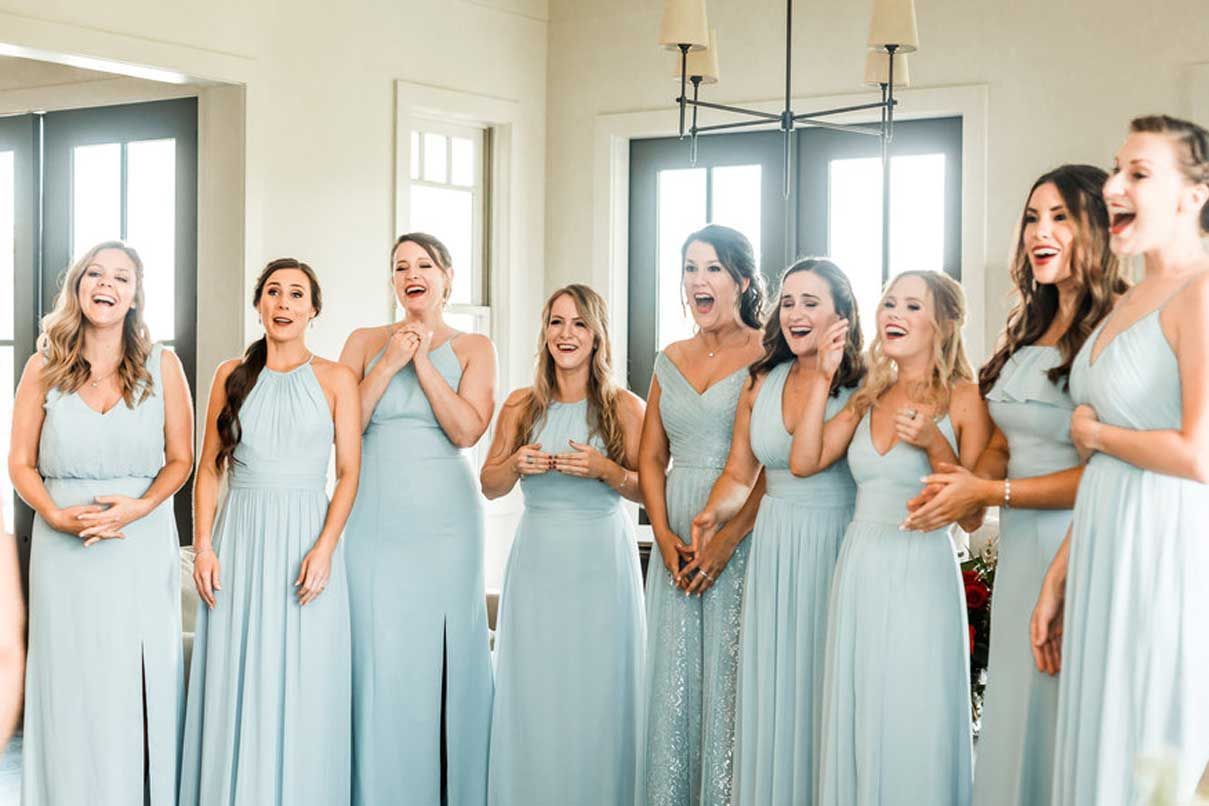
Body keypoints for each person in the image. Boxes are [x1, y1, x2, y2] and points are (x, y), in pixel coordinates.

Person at [902, 165, 1126, 806]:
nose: (1039, 232)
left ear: (1099, 229)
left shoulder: (1115, 331)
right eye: (1032, 217)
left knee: (1064, 713)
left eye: (1059, 217)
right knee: (1017, 711)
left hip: (1076, 548)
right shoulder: (1029, 326)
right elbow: (1002, 441)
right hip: (1024, 548)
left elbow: (1105, 474)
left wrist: (988, 495)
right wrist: (967, 479)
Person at [1031, 115, 1209, 805]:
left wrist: (1097, 436)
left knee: (1146, 744)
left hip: (1163, 551)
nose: (1112, 187)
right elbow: (1106, 465)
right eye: (1115, 169)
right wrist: (1058, 573)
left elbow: (1199, 453)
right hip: (1105, 543)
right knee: (1099, 743)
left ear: (1194, 194)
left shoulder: (1201, 292)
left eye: (1138, 173)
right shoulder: (1129, 298)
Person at [795, 271, 991, 806]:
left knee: (914, 705)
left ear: (944, 323)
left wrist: (933, 444)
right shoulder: (869, 393)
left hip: (922, 569)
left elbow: (972, 516)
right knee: (862, 707)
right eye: (888, 303)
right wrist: (822, 375)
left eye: (911, 305)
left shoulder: (966, 399)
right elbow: (805, 459)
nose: (893, 315)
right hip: (860, 565)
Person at [9, 241, 193, 805]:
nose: (106, 284)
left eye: (121, 277)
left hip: (140, 546)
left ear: (135, 294)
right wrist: (55, 515)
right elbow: (19, 462)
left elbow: (181, 459)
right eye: (95, 273)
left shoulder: (164, 365)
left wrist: (139, 509)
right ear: (78, 286)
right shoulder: (42, 367)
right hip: (63, 552)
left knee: (135, 680)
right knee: (71, 684)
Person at [180, 258, 360, 805]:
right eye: (274, 293)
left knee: (308, 679)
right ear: (259, 304)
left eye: (296, 294)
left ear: (313, 310)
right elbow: (209, 468)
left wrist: (325, 548)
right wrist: (204, 547)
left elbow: (350, 473)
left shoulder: (336, 379)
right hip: (243, 538)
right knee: (239, 678)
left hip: (309, 537)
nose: (283, 303)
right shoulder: (229, 375)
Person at [693, 258, 865, 806]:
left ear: (842, 314)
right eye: (787, 302)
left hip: (836, 546)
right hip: (773, 550)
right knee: (778, 693)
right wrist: (713, 513)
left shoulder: (862, 384)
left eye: (811, 303)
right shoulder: (761, 380)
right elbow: (742, 472)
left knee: (827, 688)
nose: (794, 313)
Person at [338, 233, 496, 805]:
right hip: (373, 514)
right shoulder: (362, 340)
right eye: (400, 266)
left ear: (447, 277)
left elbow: (466, 430)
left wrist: (423, 360)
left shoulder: (476, 347)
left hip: (447, 520)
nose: (412, 273)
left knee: (447, 652)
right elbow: (342, 427)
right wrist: (389, 363)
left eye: (424, 264)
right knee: (377, 647)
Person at [482, 284, 646, 806]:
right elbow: (489, 484)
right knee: (537, 692)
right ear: (544, 333)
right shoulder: (520, 405)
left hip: (601, 561)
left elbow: (649, 488)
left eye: (578, 324)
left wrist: (607, 471)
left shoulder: (623, 407)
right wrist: (516, 464)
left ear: (597, 336)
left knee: (597, 694)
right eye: (556, 322)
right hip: (538, 561)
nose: (566, 334)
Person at [636, 224, 766, 806]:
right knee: (675, 679)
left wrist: (728, 539)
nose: (698, 280)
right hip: (676, 523)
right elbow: (651, 455)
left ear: (740, 279)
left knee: (732, 677)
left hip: (741, 529)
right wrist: (662, 534)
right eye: (690, 268)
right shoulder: (670, 357)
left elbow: (770, 463)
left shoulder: (768, 351)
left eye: (711, 268)